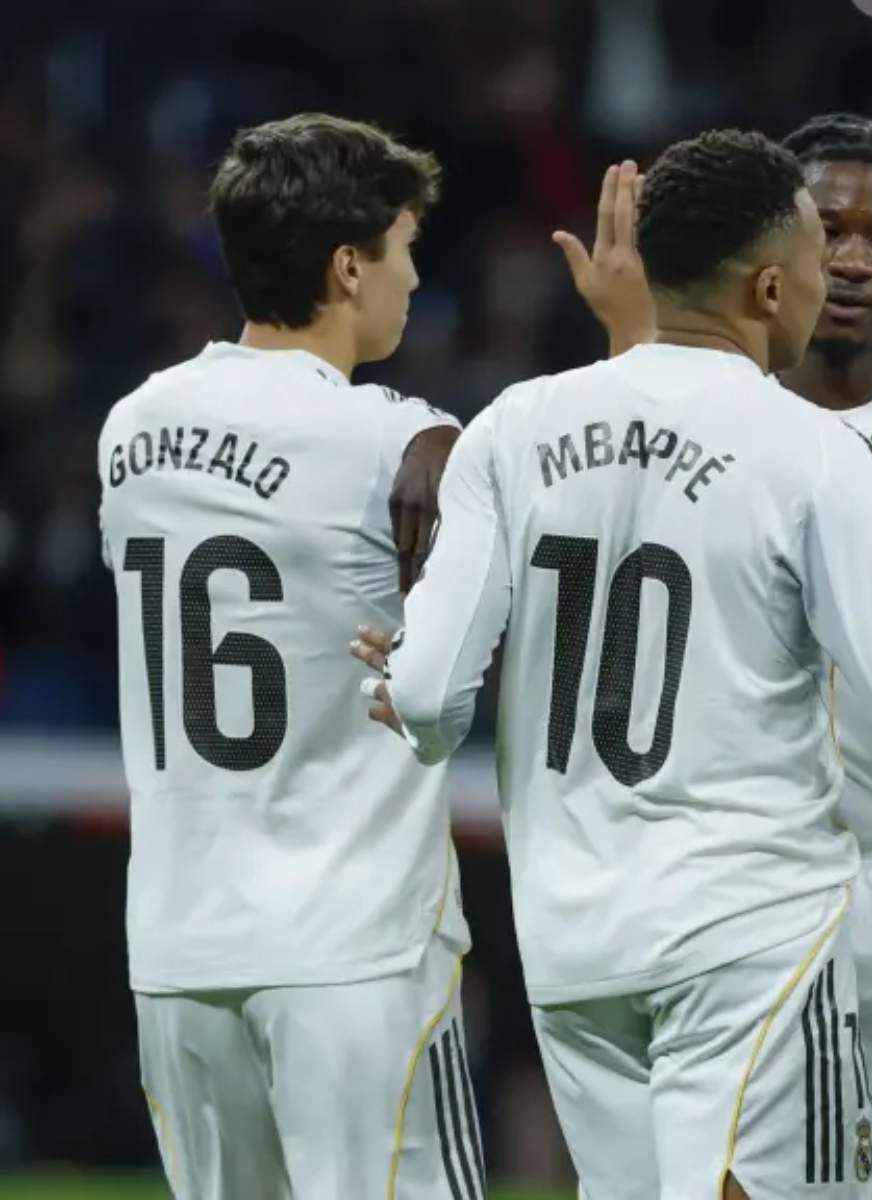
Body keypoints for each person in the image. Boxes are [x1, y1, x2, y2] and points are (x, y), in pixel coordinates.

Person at [354, 129, 872, 1200]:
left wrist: (387, 680)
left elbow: (430, 697)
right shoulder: (816, 454)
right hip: (755, 918)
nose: (843, 267)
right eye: (823, 241)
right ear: (771, 278)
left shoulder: (514, 425)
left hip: (588, 923)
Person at [97, 113, 478, 1197]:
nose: (413, 279)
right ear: (349, 266)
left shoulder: (131, 424)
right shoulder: (391, 439)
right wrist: (443, 441)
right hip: (353, 949)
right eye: (404, 250)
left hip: (177, 950)